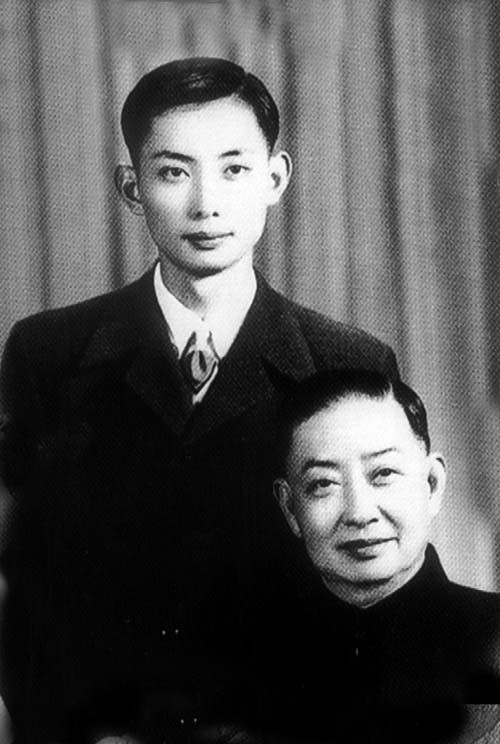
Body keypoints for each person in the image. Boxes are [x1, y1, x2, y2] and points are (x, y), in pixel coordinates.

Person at [0, 59, 398, 743]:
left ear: (275, 178)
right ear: (132, 188)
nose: (206, 204)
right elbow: (16, 583)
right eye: (174, 172)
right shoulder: (49, 355)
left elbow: (380, 589)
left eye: (234, 169)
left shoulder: (348, 363)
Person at [247, 369, 500, 744]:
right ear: (290, 508)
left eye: (383, 473)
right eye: (323, 483)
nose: (359, 512)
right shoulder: (250, 667)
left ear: (431, 484)